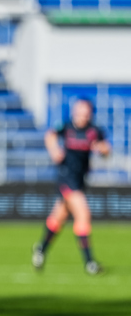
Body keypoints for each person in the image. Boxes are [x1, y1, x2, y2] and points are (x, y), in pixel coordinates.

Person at [32, 98, 110, 275]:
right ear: (74, 111)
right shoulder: (65, 127)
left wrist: (102, 149)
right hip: (65, 178)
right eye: (79, 111)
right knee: (83, 214)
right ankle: (90, 263)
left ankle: (40, 250)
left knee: (58, 218)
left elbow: (106, 149)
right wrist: (54, 150)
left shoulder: (94, 131)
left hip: (80, 180)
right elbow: (50, 135)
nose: (82, 115)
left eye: (85, 112)